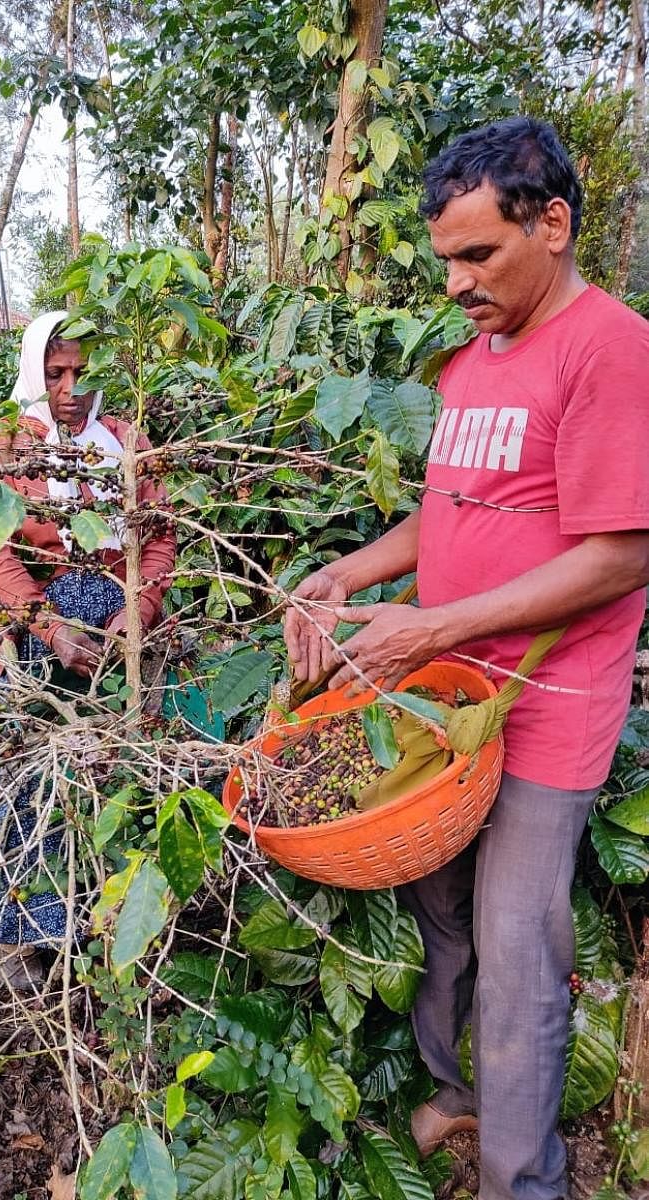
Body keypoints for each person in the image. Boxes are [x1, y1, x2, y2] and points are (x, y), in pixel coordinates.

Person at [285, 117, 649, 1200]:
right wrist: (350, 573)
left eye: (478, 255)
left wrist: (435, 625)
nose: (455, 283)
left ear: (554, 224)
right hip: (447, 702)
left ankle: (519, 1179)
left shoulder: (608, 347)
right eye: (444, 259)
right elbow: (447, 510)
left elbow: (624, 553)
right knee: (441, 913)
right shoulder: (475, 360)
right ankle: (454, 1092)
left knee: (517, 945)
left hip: (543, 705)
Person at [0, 312, 176, 989]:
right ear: (32, 371)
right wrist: (48, 624)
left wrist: (136, 612)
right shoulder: (4, 445)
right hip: (38, 623)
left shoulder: (125, 442)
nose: (70, 388)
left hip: (119, 622)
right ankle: (23, 934)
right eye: (55, 373)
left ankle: (105, 926)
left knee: (117, 771)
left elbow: (159, 537)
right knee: (28, 774)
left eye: (82, 373)